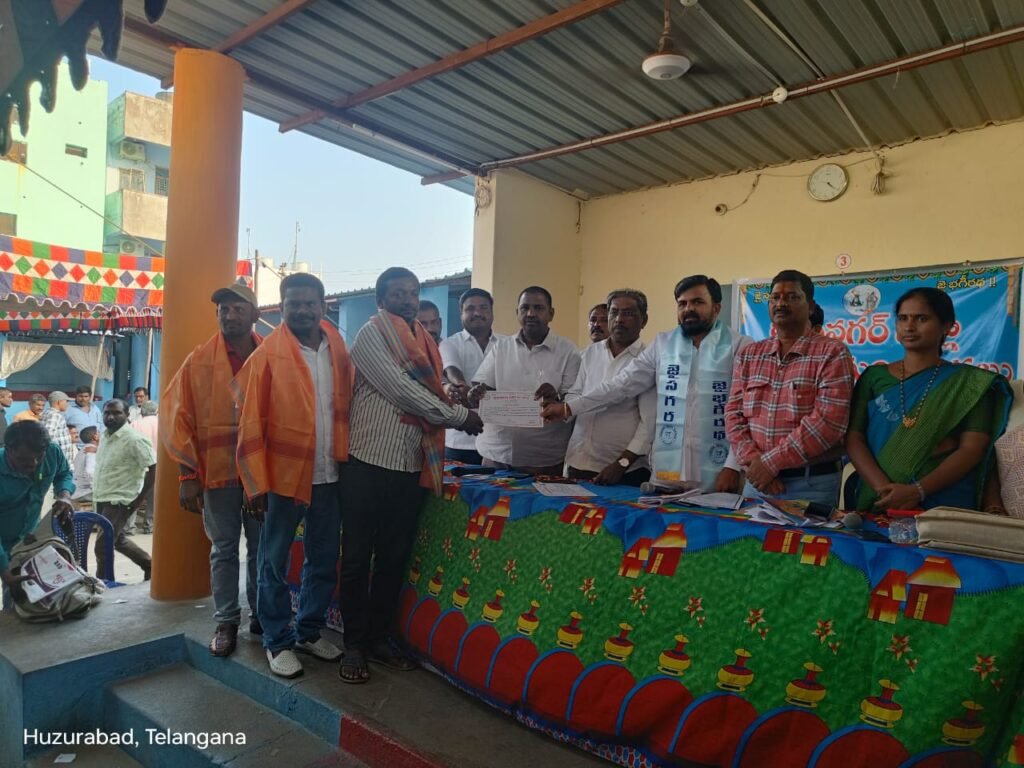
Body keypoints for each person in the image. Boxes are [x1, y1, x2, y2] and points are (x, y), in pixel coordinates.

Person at [339, 267, 483, 684]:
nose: (407, 299)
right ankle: (354, 643)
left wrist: (458, 403)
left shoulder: (424, 341)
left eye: (412, 293)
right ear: (381, 300)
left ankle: (379, 638)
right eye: (398, 293)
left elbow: (432, 389)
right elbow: (402, 391)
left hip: (408, 464)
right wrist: (459, 416)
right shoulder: (371, 334)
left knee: (393, 558)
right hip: (367, 461)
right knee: (356, 558)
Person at [236, 273, 352, 679]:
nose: (302, 310)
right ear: (281, 307)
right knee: (274, 562)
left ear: (323, 306)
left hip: (330, 473)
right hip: (282, 477)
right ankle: (277, 640)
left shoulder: (339, 350)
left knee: (323, 559)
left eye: (309, 303)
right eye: (293, 304)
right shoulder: (268, 355)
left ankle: (308, 631)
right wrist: (255, 483)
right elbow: (250, 421)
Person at [548, 276, 752, 492]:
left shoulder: (740, 346)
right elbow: (620, 385)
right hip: (667, 476)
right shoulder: (663, 344)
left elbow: (746, 413)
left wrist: (733, 466)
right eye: (682, 304)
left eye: (698, 302)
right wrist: (569, 408)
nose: (688, 309)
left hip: (719, 475)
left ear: (716, 308)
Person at [163, 282, 264, 657]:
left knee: (263, 548)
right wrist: (188, 475)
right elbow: (179, 418)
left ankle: (262, 615)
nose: (229, 315)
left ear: (255, 315)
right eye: (223, 309)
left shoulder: (272, 356)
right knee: (224, 549)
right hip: (217, 473)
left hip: (262, 474)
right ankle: (226, 621)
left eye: (238, 308)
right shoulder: (199, 361)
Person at [846, 287, 1012, 511]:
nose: (909, 327)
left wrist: (917, 491)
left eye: (921, 318)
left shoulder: (970, 384)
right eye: (903, 318)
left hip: (943, 504)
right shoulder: (874, 377)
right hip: (878, 499)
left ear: (946, 326)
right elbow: (854, 437)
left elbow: (972, 449)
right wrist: (885, 490)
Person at [726, 270, 855, 506]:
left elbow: (829, 422)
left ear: (811, 306)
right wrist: (755, 463)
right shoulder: (749, 355)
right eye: (775, 297)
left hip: (811, 485)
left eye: (792, 297)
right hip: (758, 483)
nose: (781, 303)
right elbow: (734, 415)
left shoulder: (832, 353)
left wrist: (770, 464)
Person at [470, 286, 581, 475]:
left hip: (543, 458)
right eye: (525, 308)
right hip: (496, 453)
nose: (530, 313)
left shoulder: (568, 351)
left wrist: (556, 398)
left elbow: (574, 400)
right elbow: (482, 386)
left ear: (551, 314)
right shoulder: (501, 347)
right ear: (517, 312)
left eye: (538, 308)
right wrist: (477, 393)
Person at [559, 290, 655, 486]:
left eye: (628, 313)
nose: (619, 319)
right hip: (578, 461)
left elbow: (648, 424)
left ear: (643, 320)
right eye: (614, 312)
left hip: (623, 471)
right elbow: (575, 392)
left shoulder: (649, 360)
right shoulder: (590, 353)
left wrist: (622, 464)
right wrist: (563, 408)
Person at [0, 422, 74, 603]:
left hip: (29, 540)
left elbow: (64, 473)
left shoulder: (52, 452)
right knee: (11, 587)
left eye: (38, 458)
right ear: (8, 450)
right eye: (23, 460)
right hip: (3, 543)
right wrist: (4, 571)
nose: (33, 465)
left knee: (27, 599)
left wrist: (64, 495)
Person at [92, 399, 155, 580]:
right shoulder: (105, 436)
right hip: (102, 495)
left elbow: (154, 467)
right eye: (107, 413)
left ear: (127, 415)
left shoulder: (134, 439)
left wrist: (139, 499)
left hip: (120, 498)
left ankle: (104, 585)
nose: (111, 417)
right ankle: (150, 565)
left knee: (103, 546)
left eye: (116, 413)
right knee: (117, 540)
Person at [439, 288, 500, 465]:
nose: (477, 313)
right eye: (470, 308)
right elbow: (451, 369)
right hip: (460, 442)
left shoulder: (507, 344)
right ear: (461, 313)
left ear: (491, 312)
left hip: (499, 443)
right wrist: (461, 385)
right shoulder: (449, 344)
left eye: (483, 308)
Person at [126, 400, 159, 535]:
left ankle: (129, 527)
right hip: (156, 466)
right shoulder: (161, 424)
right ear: (156, 411)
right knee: (153, 499)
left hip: (137, 465)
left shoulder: (135, 424)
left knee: (134, 496)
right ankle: (149, 526)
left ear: (142, 411)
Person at [41, 391, 74, 466]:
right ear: (59, 402)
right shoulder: (55, 415)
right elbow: (48, 435)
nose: (67, 404)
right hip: (58, 462)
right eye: (66, 401)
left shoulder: (46, 413)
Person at [72, 426, 99, 502]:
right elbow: (90, 472)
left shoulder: (86, 448)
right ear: (95, 437)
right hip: (85, 492)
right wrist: (97, 488)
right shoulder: (90, 450)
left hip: (80, 490)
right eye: (99, 433)